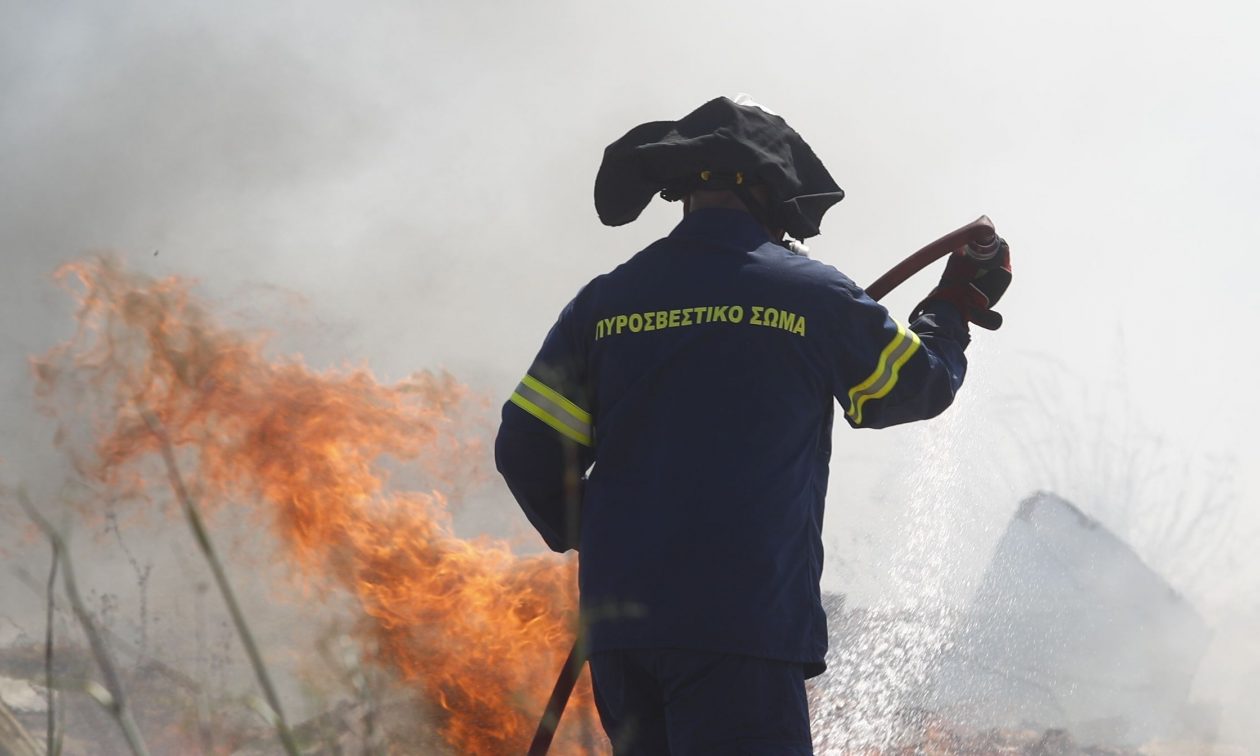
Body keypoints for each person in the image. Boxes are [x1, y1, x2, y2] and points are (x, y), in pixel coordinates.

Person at [495, 95, 1011, 755]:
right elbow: (919, 386)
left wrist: (596, 528)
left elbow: (526, 445)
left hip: (625, 636)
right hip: (741, 626)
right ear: (772, 191)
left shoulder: (608, 301)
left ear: (685, 191)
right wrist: (952, 304)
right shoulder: (811, 296)